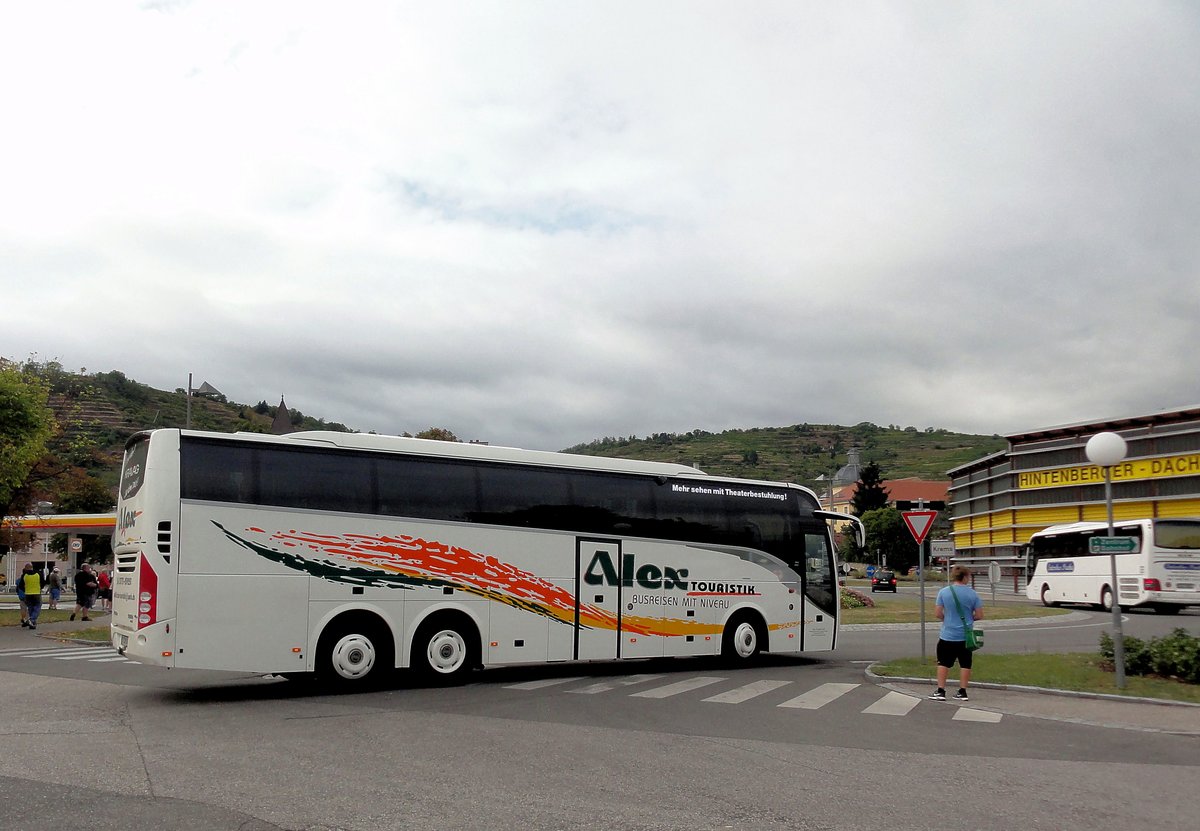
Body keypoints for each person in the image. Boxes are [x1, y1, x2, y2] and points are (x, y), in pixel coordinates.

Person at [929, 564, 983, 702]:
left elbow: (937, 613)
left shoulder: (944, 592)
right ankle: (962, 691)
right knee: (965, 663)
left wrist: (946, 619)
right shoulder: (973, 594)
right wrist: (969, 618)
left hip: (948, 634)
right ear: (965, 577)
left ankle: (941, 691)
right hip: (966, 636)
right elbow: (979, 615)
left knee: (943, 663)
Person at [16, 563, 43, 630]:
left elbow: (20, 586)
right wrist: (39, 588)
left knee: (30, 607)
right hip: (36, 593)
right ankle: (32, 619)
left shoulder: (24, 575)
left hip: (28, 594)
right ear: (32, 567)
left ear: (25, 568)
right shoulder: (38, 574)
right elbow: (43, 582)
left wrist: (25, 589)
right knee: (37, 606)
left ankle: (32, 624)